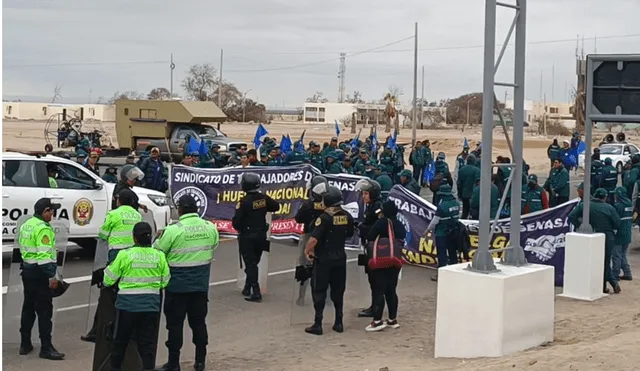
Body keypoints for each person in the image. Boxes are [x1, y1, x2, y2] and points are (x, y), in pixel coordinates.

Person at [153, 195, 219, 371]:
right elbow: (213, 246)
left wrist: (158, 237)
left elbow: (157, 252)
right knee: (199, 323)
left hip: (176, 287)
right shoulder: (210, 227)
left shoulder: (173, 230)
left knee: (175, 326)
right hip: (200, 286)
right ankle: (200, 362)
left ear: (180, 210)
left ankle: (173, 363)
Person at [103, 222, 170, 371]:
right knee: (146, 344)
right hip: (150, 307)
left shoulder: (125, 255)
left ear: (134, 238)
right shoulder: (159, 256)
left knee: (120, 341)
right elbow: (165, 281)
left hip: (127, 307)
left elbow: (108, 280)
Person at [81, 189, 142, 342]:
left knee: (107, 295)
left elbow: (102, 234)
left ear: (119, 201)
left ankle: (100, 330)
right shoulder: (137, 215)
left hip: (116, 257)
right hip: (133, 256)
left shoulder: (113, 214)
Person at [17, 198, 65, 360]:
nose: (53, 214)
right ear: (45, 211)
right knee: (44, 311)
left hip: (27, 271)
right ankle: (46, 348)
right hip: (40, 274)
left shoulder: (27, 225)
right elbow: (44, 258)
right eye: (51, 211)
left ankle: (25, 344)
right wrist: (52, 276)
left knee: (28, 308)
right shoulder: (44, 229)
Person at [303, 186, 354, 335]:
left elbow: (314, 238)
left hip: (324, 259)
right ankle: (339, 322)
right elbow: (350, 233)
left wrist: (307, 250)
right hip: (340, 257)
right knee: (338, 291)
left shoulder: (324, 218)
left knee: (319, 290)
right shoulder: (346, 215)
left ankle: (317, 324)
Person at [232, 173, 280, 302]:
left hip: (247, 236)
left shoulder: (243, 202)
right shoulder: (263, 198)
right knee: (254, 262)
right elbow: (276, 206)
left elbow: (236, 223)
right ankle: (247, 287)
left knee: (251, 264)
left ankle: (256, 291)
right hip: (261, 235)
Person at [568, 188, 621, 294]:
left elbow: (571, 216)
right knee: (605, 262)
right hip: (607, 237)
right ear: (605, 197)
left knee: (592, 262)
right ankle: (606, 285)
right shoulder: (609, 208)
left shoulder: (585, 205)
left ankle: (608, 284)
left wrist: (581, 226)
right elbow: (617, 223)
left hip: (591, 235)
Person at [364, 201, 405, 332]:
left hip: (382, 259)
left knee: (378, 290)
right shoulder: (399, 224)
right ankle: (392, 319)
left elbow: (370, 236)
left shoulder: (382, 222)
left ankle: (377, 321)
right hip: (395, 260)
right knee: (391, 290)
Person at [356, 178, 383, 318]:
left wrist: (363, 228)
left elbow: (378, 227)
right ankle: (374, 305)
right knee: (372, 280)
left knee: (376, 280)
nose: (363, 196)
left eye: (366, 194)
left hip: (376, 249)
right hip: (369, 247)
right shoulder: (371, 206)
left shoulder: (378, 207)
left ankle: (376, 308)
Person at [426, 184, 460, 282]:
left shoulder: (442, 206)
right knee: (453, 252)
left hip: (441, 233)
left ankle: (441, 274)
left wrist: (427, 230)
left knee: (442, 254)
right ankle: (455, 272)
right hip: (454, 231)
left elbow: (435, 221)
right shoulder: (456, 203)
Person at [612, 187, 633, 281]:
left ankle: (615, 274)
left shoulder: (618, 206)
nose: (614, 196)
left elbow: (615, 220)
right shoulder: (629, 203)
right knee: (623, 254)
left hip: (619, 234)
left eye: (615, 194)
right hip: (628, 233)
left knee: (616, 255)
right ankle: (627, 273)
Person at [456, 154, 480, 218]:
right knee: (474, 213)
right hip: (473, 195)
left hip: (464, 194)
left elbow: (459, 183)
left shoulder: (462, 170)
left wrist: (459, 194)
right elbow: (478, 184)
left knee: (465, 212)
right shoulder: (477, 170)